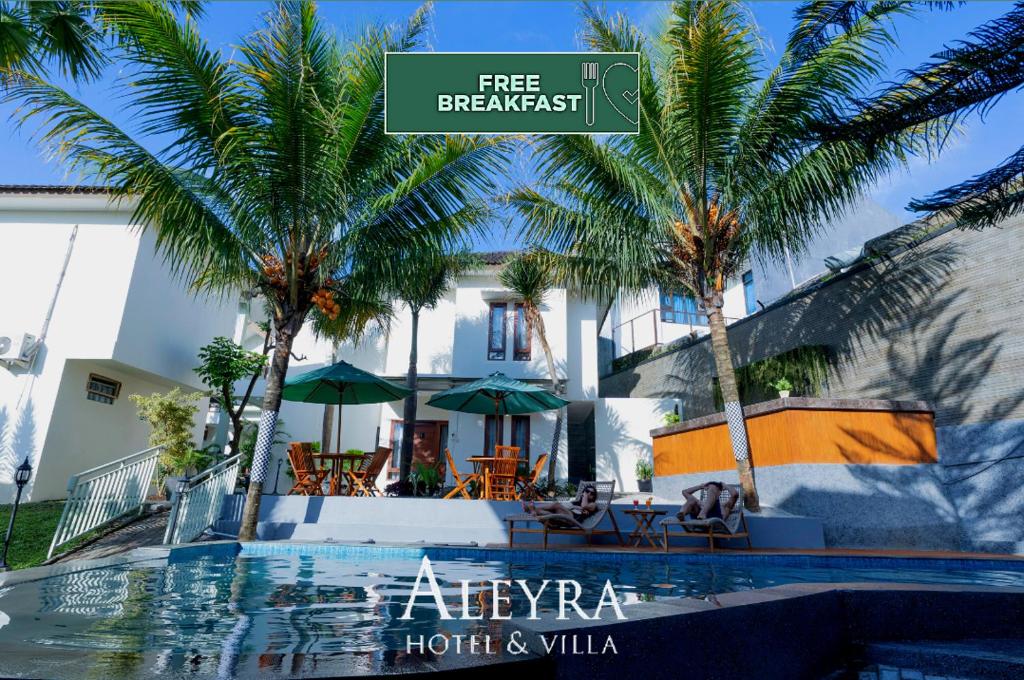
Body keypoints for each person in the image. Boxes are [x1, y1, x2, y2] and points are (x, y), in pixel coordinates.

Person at [521, 483, 599, 523]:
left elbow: (584, 506)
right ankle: (532, 510)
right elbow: (573, 507)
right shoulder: (577, 502)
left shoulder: (593, 504)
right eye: (587, 491)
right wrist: (575, 507)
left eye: (592, 494)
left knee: (556, 504)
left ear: (593, 497)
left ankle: (531, 508)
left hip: (573, 519)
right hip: (565, 515)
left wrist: (585, 496)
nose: (589, 494)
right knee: (544, 513)